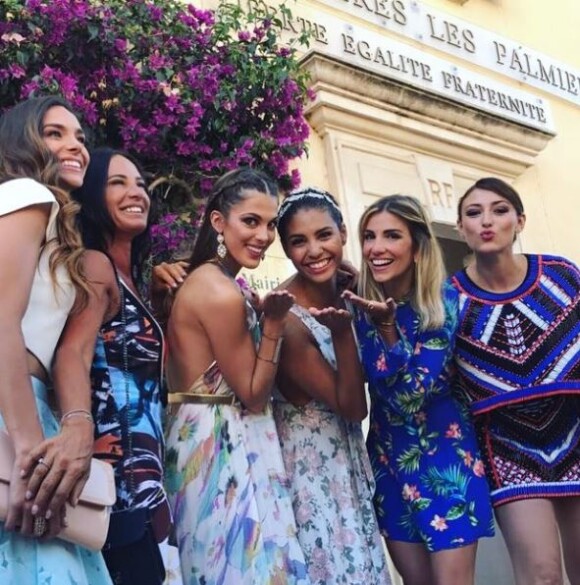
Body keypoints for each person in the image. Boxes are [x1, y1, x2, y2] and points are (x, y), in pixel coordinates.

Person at [164, 168, 309, 585]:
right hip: (216, 445)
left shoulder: (218, 280)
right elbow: (253, 394)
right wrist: (275, 325)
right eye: (250, 221)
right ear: (217, 222)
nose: (263, 235)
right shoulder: (220, 291)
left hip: (205, 436)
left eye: (270, 224)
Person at [344, 195, 494, 585]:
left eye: (392, 236)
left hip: (446, 463)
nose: (377, 248)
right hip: (388, 465)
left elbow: (409, 395)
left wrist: (388, 330)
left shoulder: (440, 303)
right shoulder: (358, 304)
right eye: (369, 236)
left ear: (416, 247)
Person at [0, 96, 112, 584]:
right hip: (14, 416)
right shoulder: (27, 194)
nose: (75, 146)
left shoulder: (54, 225)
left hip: (29, 408)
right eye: (55, 133)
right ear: (23, 141)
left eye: (80, 137)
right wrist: (26, 447)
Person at [450, 177, 580, 585]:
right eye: (474, 213)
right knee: (541, 574)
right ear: (461, 229)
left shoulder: (562, 276)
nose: (487, 221)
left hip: (576, 432)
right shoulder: (448, 300)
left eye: (500, 210)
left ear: (520, 221)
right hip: (508, 445)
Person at [53, 147, 170, 585]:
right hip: (112, 484)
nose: (135, 192)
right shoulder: (96, 266)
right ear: (92, 197)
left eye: (139, 183)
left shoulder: (126, 276)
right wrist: (78, 428)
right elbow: (73, 352)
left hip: (137, 487)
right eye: (117, 182)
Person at [272, 187, 391, 585]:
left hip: (347, 464)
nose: (314, 250)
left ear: (342, 233)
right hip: (314, 479)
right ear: (286, 249)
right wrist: (341, 332)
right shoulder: (289, 321)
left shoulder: (348, 288)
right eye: (298, 241)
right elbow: (353, 406)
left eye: (324, 235)